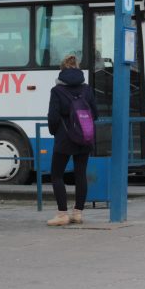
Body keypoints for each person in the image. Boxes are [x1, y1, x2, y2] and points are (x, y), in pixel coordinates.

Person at [45, 55, 98, 227]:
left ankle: (62, 214)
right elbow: (95, 114)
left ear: (62, 70)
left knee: (57, 174)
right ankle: (78, 213)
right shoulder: (87, 89)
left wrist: (55, 132)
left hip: (65, 138)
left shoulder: (57, 91)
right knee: (80, 174)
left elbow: (53, 117)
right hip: (84, 137)